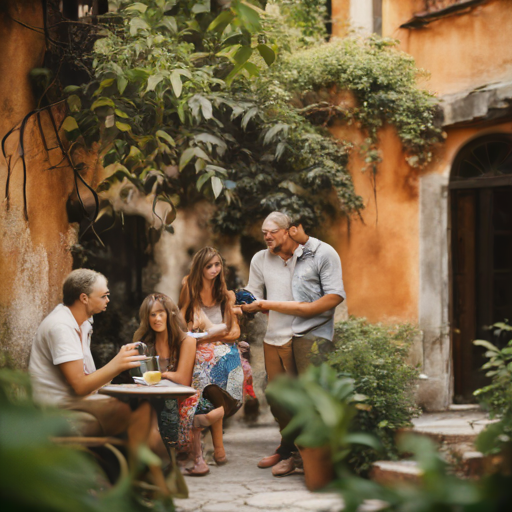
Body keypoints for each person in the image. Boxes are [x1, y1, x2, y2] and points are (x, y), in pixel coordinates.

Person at [242, 212, 345, 477]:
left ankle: (296, 453)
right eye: (264, 231)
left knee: (302, 398)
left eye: (272, 231)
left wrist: (269, 305)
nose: (267, 236)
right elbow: (254, 292)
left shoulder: (312, 255)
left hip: (303, 336)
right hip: (272, 337)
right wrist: (245, 302)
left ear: (289, 231)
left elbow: (330, 296)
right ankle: (288, 447)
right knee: (276, 397)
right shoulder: (260, 259)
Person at [28, 269, 152, 455]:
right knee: (133, 410)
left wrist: (120, 362)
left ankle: (122, 472)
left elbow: (88, 379)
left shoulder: (83, 324)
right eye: (103, 296)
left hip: (74, 402)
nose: (108, 300)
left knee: (141, 406)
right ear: (84, 298)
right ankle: (124, 474)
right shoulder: (61, 327)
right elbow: (80, 386)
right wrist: (117, 364)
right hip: (56, 411)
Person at [133, 293, 223, 476]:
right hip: (154, 396)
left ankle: (191, 455)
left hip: (183, 396)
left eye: (160, 313)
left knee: (191, 411)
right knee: (146, 410)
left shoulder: (185, 341)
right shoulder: (145, 344)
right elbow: (139, 377)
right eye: (152, 315)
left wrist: (161, 374)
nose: (157, 318)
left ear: (169, 313)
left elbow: (183, 379)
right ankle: (164, 457)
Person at [178, 246, 244, 469]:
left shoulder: (226, 295)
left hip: (224, 348)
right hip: (201, 350)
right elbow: (181, 322)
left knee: (226, 373)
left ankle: (213, 438)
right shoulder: (189, 286)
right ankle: (218, 448)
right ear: (200, 268)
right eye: (209, 266)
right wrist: (207, 337)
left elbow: (234, 333)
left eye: (218, 265)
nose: (215, 270)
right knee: (207, 373)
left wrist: (206, 337)